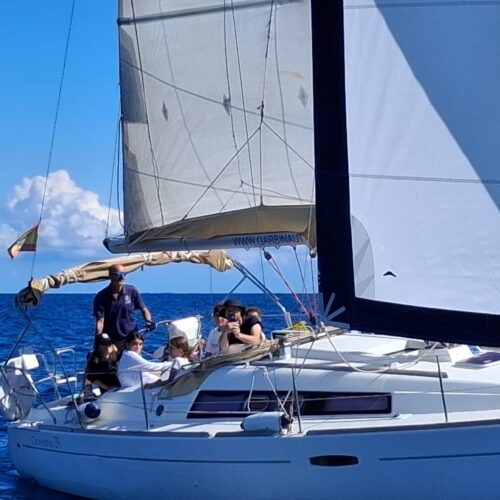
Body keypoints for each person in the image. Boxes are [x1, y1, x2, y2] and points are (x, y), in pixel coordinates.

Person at [93, 263, 155, 351]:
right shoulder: (101, 296)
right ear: (110, 276)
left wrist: (149, 321)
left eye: (124, 274)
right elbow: (100, 320)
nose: (122, 277)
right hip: (112, 340)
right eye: (118, 274)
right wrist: (98, 339)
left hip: (131, 339)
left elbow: (144, 309)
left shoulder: (132, 291)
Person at [118, 332, 189, 388]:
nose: (138, 347)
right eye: (134, 344)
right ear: (127, 344)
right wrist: (172, 363)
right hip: (140, 389)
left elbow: (146, 368)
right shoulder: (130, 355)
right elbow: (151, 366)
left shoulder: (126, 355)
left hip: (138, 384)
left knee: (162, 373)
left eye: (140, 344)